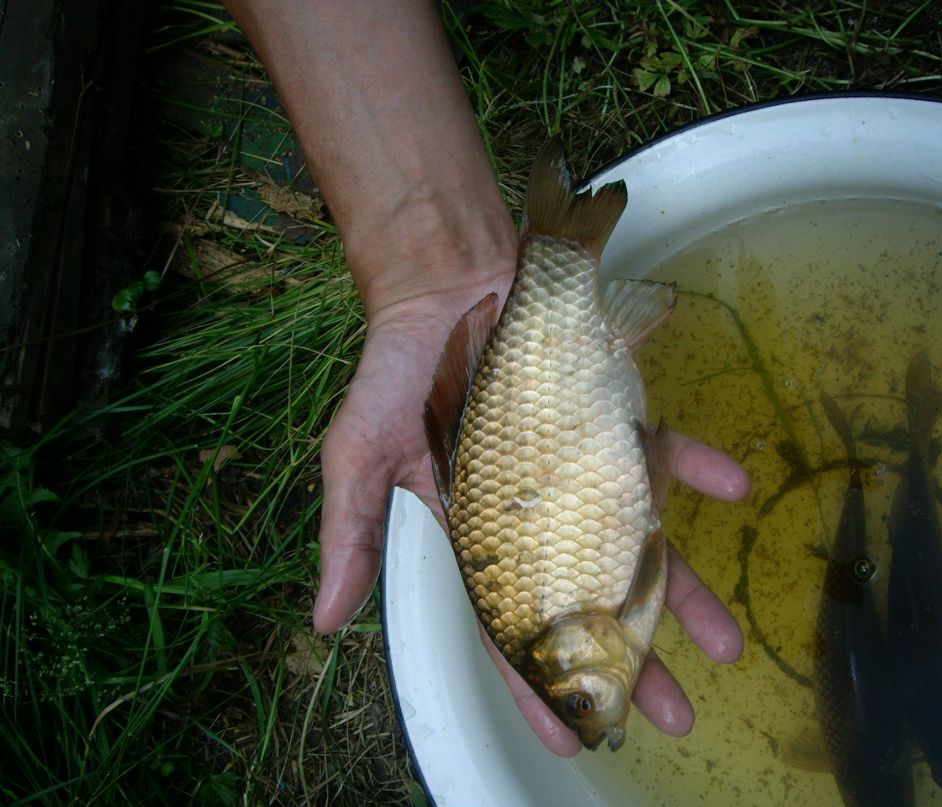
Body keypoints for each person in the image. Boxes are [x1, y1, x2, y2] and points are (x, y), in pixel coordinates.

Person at [223, 0, 750, 756]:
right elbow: (652, 472)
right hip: (536, 418)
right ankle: (562, 255)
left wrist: (425, 264)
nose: (599, 705)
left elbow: (650, 482)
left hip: (533, 413)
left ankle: (558, 251)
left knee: (562, 278)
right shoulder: (588, 616)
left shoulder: (609, 608)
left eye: (579, 695)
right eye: (581, 700)